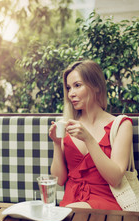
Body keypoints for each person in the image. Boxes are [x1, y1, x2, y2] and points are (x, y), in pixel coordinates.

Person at [48, 60, 133, 210]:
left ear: (96, 87)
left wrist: (89, 139)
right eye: (68, 88)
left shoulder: (121, 125)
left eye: (77, 85)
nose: (71, 94)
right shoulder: (67, 125)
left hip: (105, 203)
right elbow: (59, 180)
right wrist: (56, 142)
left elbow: (115, 179)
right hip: (71, 204)